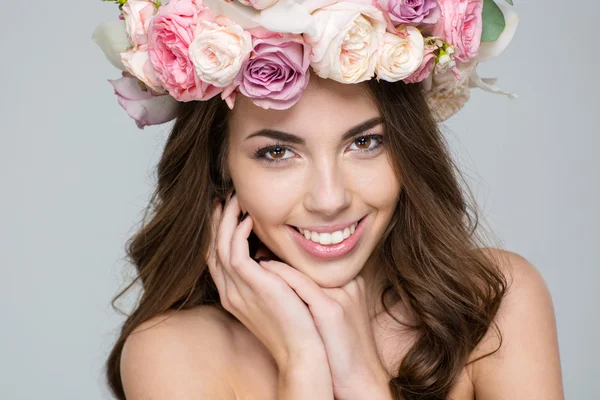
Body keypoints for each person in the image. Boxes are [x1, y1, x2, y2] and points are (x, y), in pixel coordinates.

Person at [93, 0, 564, 399]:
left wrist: (362, 377)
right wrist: (303, 364)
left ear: (408, 150)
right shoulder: (174, 351)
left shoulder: (492, 301)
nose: (329, 199)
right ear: (222, 167)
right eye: (277, 152)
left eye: (364, 143)